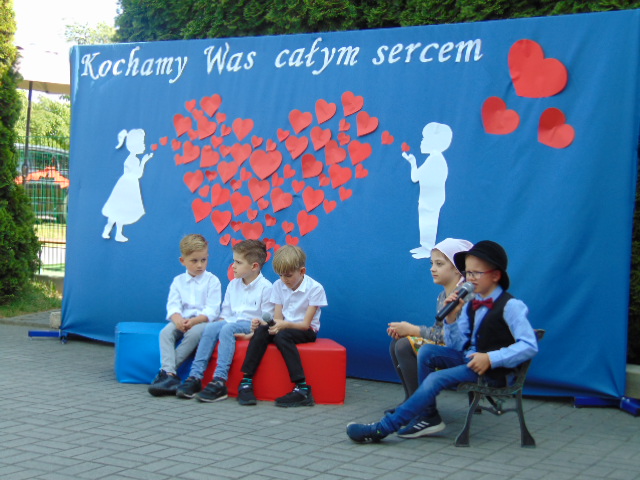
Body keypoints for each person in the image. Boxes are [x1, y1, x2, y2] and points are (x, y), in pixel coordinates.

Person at [347, 240, 538, 442]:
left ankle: (382, 429)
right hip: (468, 359)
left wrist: (491, 358)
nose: (469, 278)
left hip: (490, 370)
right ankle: (427, 415)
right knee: (428, 352)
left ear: (495, 276)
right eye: (468, 272)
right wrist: (451, 318)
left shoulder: (511, 306)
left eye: (476, 273)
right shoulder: (471, 301)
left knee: (435, 379)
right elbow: (455, 344)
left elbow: (529, 345)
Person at [175, 240, 274, 402]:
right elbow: (226, 313)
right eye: (234, 261)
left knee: (227, 329)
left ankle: (220, 380)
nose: (233, 266)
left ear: (254, 266)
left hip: (249, 324)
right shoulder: (233, 285)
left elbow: (267, 318)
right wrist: (217, 327)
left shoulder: (266, 287)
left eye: (238, 262)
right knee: (211, 327)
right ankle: (195, 377)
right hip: (231, 321)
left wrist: (255, 328)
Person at [237, 245, 328, 407]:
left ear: (302, 271)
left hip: (304, 330)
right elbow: (277, 319)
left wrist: (283, 325)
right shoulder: (278, 285)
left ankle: (302, 389)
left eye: (288, 275)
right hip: (284, 327)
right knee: (262, 330)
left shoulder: (315, 288)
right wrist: (264, 325)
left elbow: (305, 325)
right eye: (280, 275)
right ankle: (246, 382)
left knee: (282, 336)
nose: (284, 279)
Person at [387, 238, 473, 399]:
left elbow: (453, 338)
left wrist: (413, 330)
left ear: (457, 269)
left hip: (466, 355)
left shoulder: (466, 296)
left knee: (405, 345)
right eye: (432, 263)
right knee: (397, 342)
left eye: (439, 264)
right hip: (451, 349)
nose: (432, 269)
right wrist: (407, 332)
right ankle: (411, 400)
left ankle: (421, 406)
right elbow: (439, 331)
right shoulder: (443, 296)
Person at [148, 234, 221, 396]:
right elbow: (173, 305)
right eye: (194, 261)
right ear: (183, 261)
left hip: (202, 322)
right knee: (165, 333)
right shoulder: (178, 281)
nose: (200, 265)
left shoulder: (212, 281)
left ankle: (166, 373)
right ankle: (169, 374)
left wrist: (194, 321)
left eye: (203, 260)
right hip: (182, 320)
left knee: (193, 334)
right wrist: (178, 320)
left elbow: (212, 310)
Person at [102, 128, 154, 242]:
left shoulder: (132, 159)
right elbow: (138, 174)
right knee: (119, 211)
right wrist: (144, 161)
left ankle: (115, 232)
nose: (144, 146)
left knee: (121, 211)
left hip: (127, 186)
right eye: (142, 143)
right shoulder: (133, 160)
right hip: (128, 187)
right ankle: (109, 230)